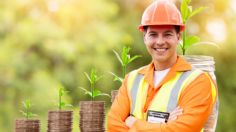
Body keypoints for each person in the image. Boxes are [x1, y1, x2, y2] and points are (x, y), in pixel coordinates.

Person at [107, 0, 218, 131]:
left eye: (167, 34)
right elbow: (113, 125)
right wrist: (165, 126)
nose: (160, 41)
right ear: (145, 38)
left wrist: (134, 123)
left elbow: (183, 130)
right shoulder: (131, 80)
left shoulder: (198, 81)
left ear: (178, 37)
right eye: (153, 34)